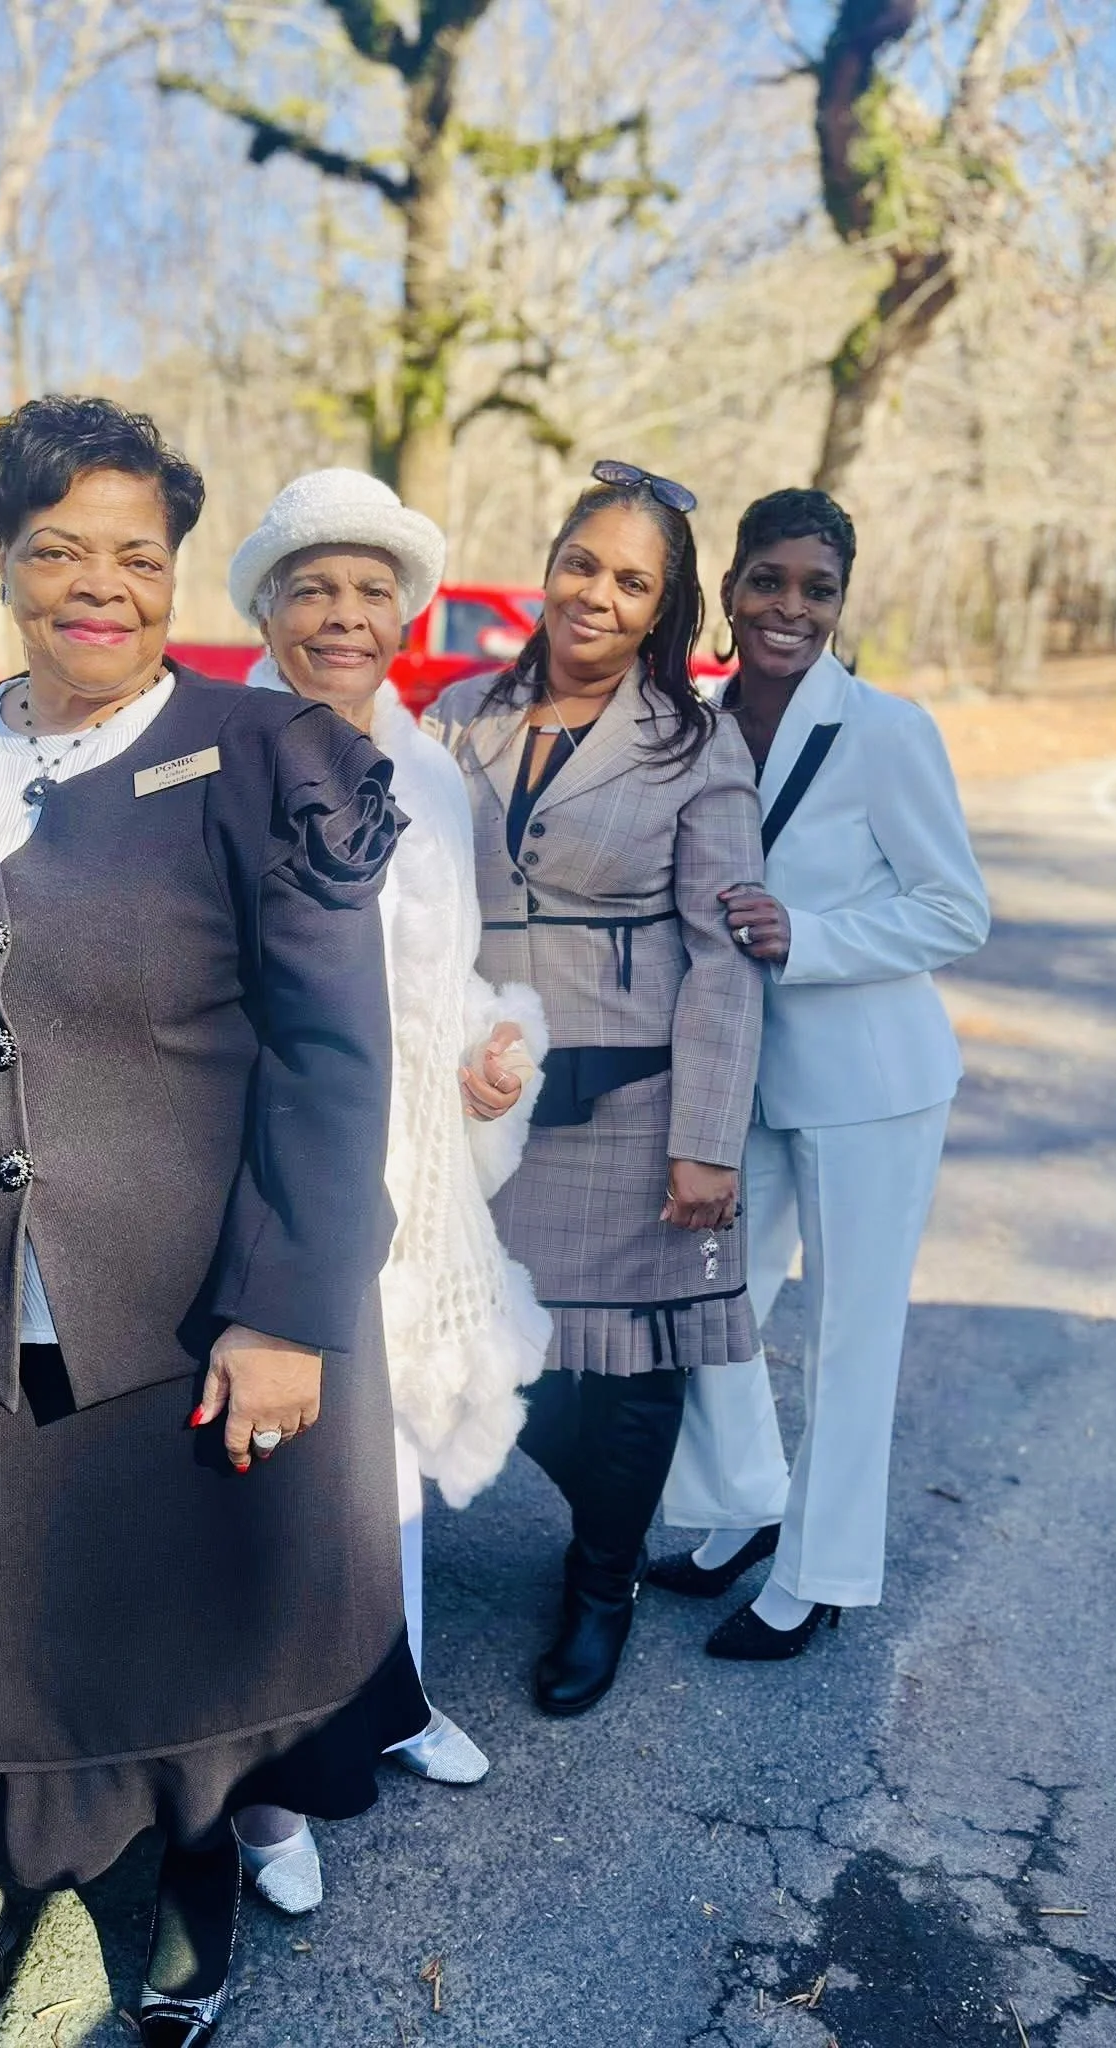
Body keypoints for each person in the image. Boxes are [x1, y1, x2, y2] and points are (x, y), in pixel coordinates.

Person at [0, 395, 428, 2048]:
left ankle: (194, 1900)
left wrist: (285, 1311)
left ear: (175, 573)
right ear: (1, 560)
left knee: (187, 1640)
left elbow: (335, 1067)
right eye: (59, 550)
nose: (98, 586)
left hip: (201, 1315)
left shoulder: (270, 767)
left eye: (137, 553)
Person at [224, 467, 552, 1909]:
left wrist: (494, 1054)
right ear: (269, 609)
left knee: (399, 1449)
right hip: (275, 1161)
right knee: (277, 1473)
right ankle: (262, 1791)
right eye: (315, 590)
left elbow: (450, 964)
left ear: (403, 613)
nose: (346, 617)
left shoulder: (427, 767)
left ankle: (391, 1696)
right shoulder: (219, 755)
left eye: (371, 592)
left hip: (413, 1155)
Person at [423, 461, 765, 1717]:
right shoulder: (462, 713)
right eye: (584, 564)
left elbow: (724, 954)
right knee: (491, 1347)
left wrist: (708, 1138)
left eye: (634, 581)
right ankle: (588, 1540)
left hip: (632, 1099)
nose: (599, 595)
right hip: (480, 1094)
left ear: (664, 608)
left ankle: (602, 1582)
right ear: (550, 563)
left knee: (620, 1382)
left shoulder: (695, 741)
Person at [654, 487, 991, 1658]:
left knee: (850, 1328)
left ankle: (822, 1568)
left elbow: (957, 908)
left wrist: (815, 933)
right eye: (769, 580)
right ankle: (740, 1503)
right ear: (732, 586)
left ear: (841, 603)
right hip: (738, 1073)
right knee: (717, 1299)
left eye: (818, 588)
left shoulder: (888, 729)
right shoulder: (691, 721)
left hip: (873, 1080)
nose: (789, 607)